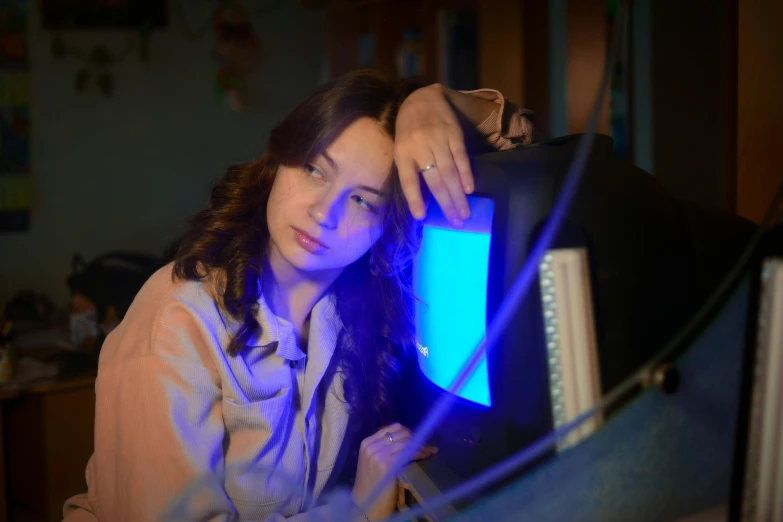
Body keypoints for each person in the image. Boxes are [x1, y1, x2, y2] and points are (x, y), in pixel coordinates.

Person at [63, 70, 533, 522]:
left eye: (362, 200)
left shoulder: (348, 312)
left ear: (385, 226)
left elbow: (525, 145)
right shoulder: (177, 320)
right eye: (314, 169)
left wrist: (435, 102)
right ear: (278, 162)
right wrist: (359, 511)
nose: (323, 212)